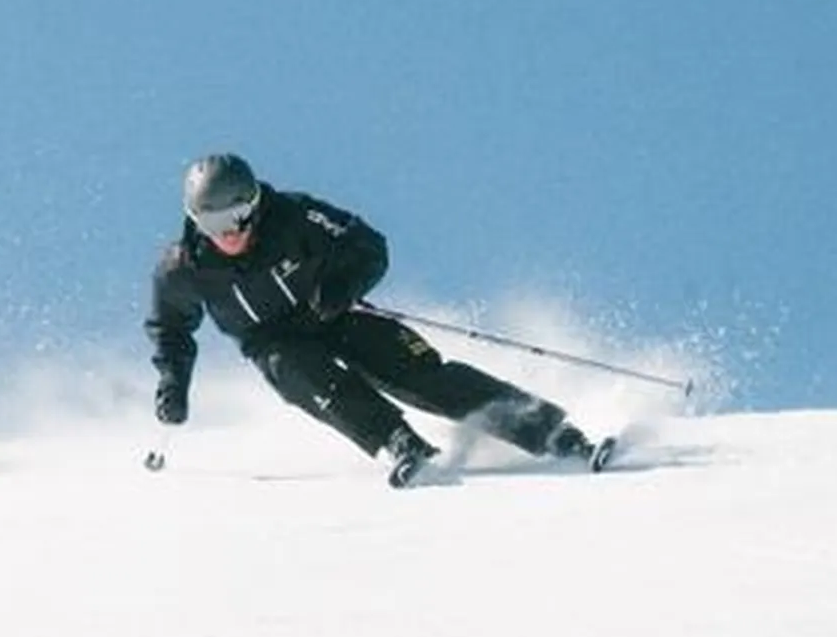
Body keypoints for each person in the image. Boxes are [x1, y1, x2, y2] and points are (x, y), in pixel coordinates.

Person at [146, 152, 613, 487]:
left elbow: (368, 245)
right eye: (211, 225)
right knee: (301, 375)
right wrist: (172, 385)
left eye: (235, 219)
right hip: (274, 342)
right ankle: (399, 443)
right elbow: (170, 330)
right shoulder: (183, 269)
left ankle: (553, 433)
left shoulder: (293, 216)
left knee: (419, 375)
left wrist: (342, 288)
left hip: (331, 311)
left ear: (252, 206)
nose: (226, 235)